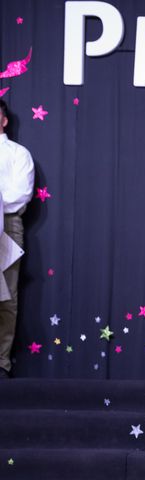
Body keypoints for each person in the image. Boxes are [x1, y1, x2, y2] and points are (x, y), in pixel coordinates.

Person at [0, 99, 35, 379]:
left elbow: (20, 193)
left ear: (4, 120)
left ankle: (1, 362)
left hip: (7, 224)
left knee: (6, 296)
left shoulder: (18, 153)